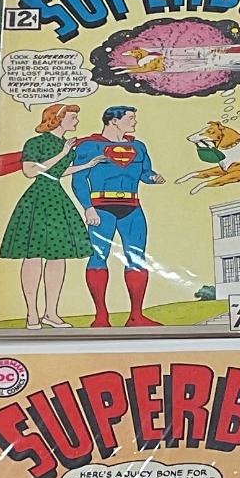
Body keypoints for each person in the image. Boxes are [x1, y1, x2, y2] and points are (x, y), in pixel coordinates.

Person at [0, 102, 92, 327]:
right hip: (38, 198)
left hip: (57, 198)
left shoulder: (66, 145)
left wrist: (87, 164)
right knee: (33, 256)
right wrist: (63, 153)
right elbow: (30, 171)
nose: (76, 121)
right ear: (57, 119)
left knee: (58, 257)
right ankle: (31, 313)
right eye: (72, 118)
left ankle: (51, 313)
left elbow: (60, 171)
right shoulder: (35, 142)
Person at [69, 104, 163, 327]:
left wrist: (153, 178)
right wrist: (88, 207)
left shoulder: (138, 146)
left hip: (132, 207)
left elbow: (145, 172)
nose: (134, 122)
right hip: (101, 208)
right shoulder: (90, 146)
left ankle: (136, 316)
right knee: (98, 256)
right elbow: (79, 179)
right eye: (130, 118)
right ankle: (101, 316)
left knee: (136, 258)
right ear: (113, 120)